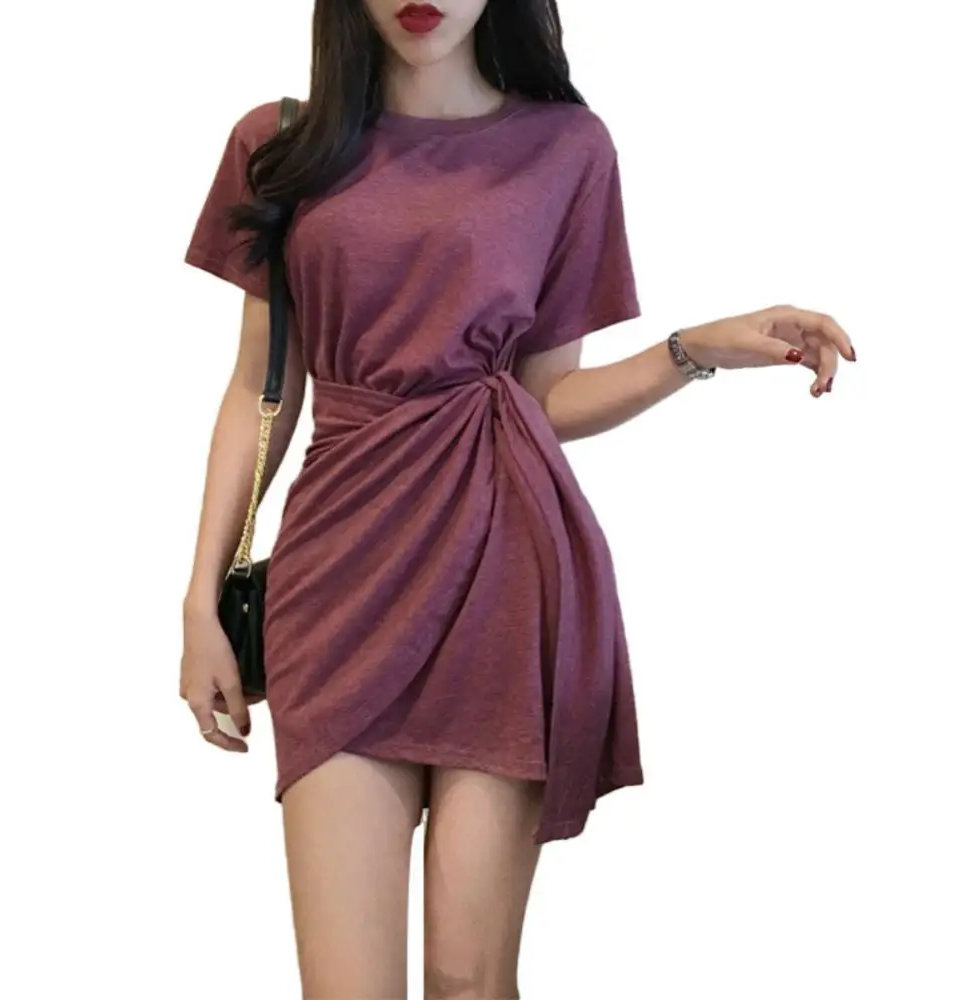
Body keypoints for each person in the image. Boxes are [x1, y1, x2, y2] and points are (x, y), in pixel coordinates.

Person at [180, 1, 856, 996]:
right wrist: (199, 600)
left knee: (469, 978)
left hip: (501, 572)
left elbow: (543, 398)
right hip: (337, 581)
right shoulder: (279, 144)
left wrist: (692, 350)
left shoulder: (566, 149)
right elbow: (258, 387)